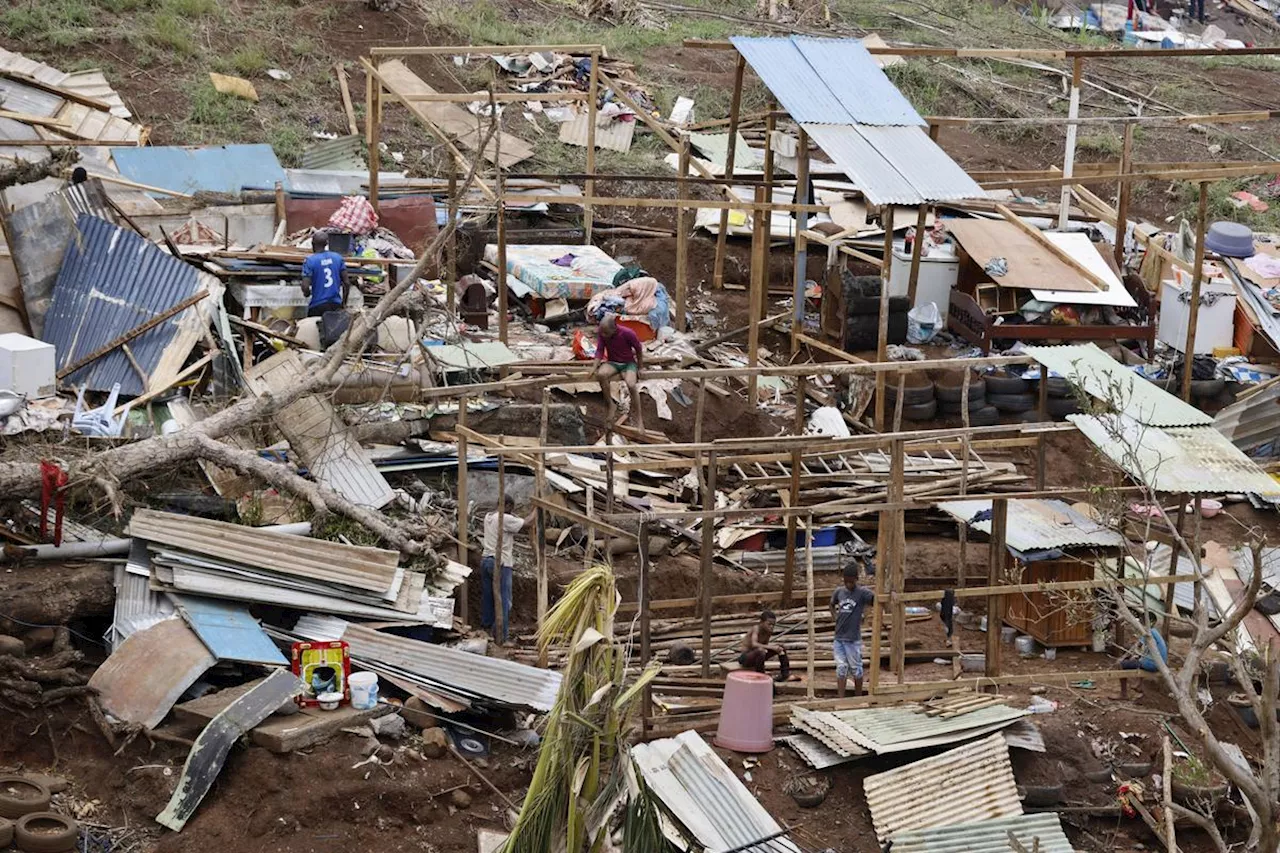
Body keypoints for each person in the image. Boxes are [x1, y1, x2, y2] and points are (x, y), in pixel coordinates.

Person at [481, 494, 535, 645]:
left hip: (486, 561)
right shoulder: (504, 519)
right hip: (501, 564)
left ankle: (486, 629)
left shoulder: (488, 516)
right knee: (504, 601)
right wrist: (539, 508)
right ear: (508, 506)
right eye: (512, 508)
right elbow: (529, 522)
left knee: (488, 597)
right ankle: (501, 637)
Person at [590, 313, 644, 431]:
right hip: (613, 362)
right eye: (602, 332)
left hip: (628, 363)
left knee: (631, 384)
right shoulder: (602, 332)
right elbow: (599, 350)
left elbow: (639, 349)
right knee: (601, 374)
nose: (603, 335)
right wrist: (594, 367)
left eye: (606, 333)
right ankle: (610, 404)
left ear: (614, 329)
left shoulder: (628, 333)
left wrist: (640, 367)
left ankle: (639, 418)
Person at [831, 563, 875, 697]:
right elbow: (831, 604)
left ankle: (858, 697)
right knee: (841, 668)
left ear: (856, 579)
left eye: (851, 582)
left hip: (853, 638)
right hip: (839, 637)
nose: (848, 585)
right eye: (846, 582)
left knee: (856, 669)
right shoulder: (839, 592)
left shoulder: (862, 593)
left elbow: (875, 599)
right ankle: (841, 698)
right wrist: (835, 618)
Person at [1119, 612, 1168, 700]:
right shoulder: (1155, 632)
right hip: (1161, 663)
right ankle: (1139, 685)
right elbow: (1145, 651)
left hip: (1153, 664)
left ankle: (1123, 694)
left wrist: (1124, 658)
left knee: (1122, 664)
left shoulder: (1147, 633)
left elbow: (1137, 647)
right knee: (1139, 660)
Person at [300, 232, 349, 318]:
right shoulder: (338, 258)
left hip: (317, 305)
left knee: (313, 329)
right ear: (327, 243)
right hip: (335, 304)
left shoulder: (310, 261)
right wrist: (344, 303)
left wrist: (307, 294)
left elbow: (305, 286)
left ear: (312, 244)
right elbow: (347, 283)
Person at [739, 610, 790, 681]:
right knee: (760, 651)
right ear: (761, 622)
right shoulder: (756, 628)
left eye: (773, 625)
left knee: (781, 647)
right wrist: (772, 647)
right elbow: (754, 644)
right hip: (746, 657)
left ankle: (785, 674)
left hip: (759, 655)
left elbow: (764, 646)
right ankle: (761, 675)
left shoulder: (768, 632)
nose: (771, 626)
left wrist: (776, 649)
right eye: (769, 624)